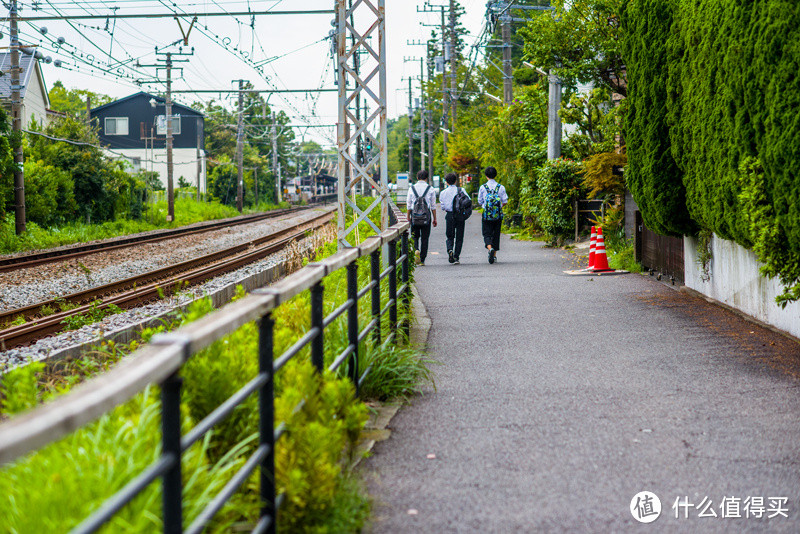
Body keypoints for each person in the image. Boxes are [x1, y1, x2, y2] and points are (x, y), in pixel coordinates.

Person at [477, 166, 508, 264]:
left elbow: (480, 201)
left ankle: (489, 248)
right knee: (496, 234)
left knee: (487, 233)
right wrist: (499, 207)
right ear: (495, 175)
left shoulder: (483, 187)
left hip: (486, 214)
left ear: (486, 176)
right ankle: (494, 255)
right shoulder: (500, 187)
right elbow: (505, 201)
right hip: (498, 215)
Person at [406, 169, 437, 266]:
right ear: (427, 178)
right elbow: (433, 205)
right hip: (426, 217)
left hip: (414, 216)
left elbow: (409, 204)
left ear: (417, 177)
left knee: (415, 236)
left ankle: (416, 250)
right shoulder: (430, 188)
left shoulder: (412, 188)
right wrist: (435, 218)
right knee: (425, 238)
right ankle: (422, 259)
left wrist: (408, 217)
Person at [439, 172, 467, 264]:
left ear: (446, 182)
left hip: (450, 215)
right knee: (459, 236)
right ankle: (456, 256)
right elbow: (468, 201)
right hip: (460, 215)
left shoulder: (443, 192)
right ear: (456, 181)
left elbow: (442, 207)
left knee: (450, 235)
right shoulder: (461, 190)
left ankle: (450, 249)